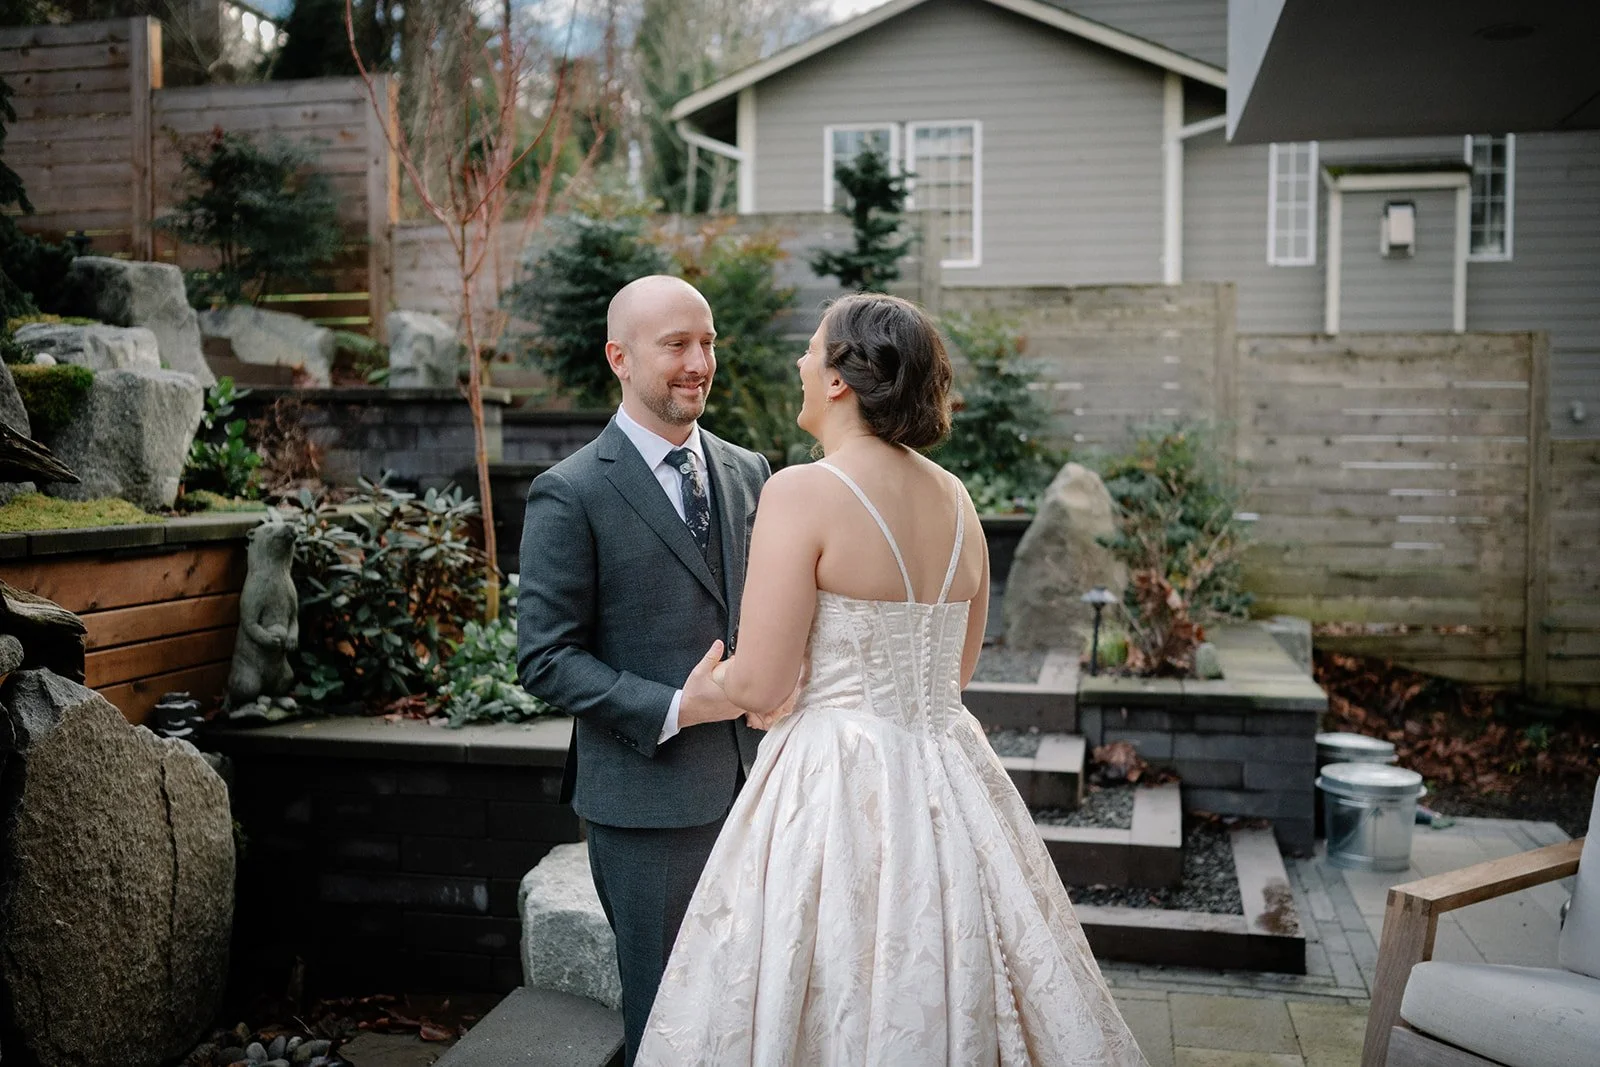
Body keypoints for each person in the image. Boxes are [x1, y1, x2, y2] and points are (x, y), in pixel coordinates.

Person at [637, 293, 1148, 1064]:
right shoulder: (959, 499)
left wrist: (719, 683)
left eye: (811, 351)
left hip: (834, 781)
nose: (800, 364)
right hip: (950, 770)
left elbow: (764, 676)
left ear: (842, 378)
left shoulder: (801, 491)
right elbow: (960, 668)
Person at [517, 274, 772, 1063]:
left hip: (763, 791)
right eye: (677, 345)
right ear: (619, 358)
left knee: (755, 1010)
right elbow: (546, 658)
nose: (699, 362)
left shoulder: (750, 469)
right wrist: (676, 707)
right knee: (670, 1020)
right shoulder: (570, 492)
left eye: (708, 344)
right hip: (647, 810)